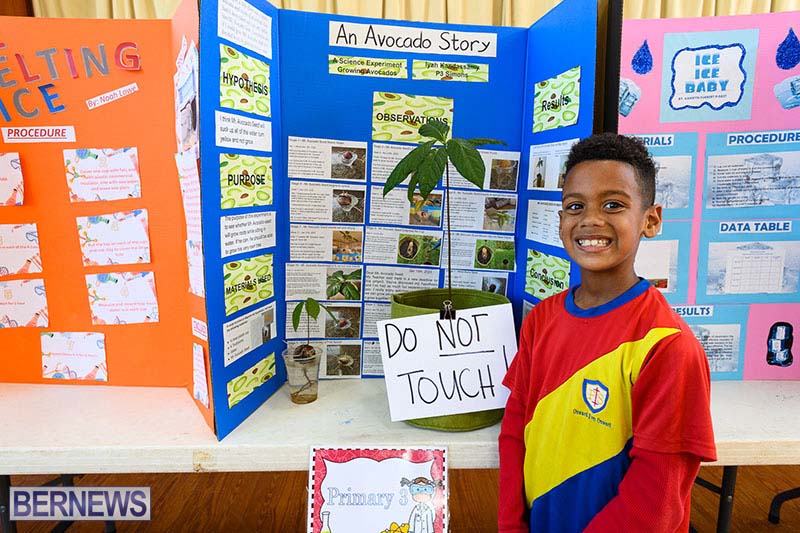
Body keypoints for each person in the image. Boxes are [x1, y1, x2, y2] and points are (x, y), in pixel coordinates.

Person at [498, 133, 716, 532]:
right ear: (560, 220)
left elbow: (655, 502)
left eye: (613, 204)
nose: (591, 219)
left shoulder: (667, 345)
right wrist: (511, 525)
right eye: (575, 206)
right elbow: (515, 430)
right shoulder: (541, 319)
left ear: (651, 220)